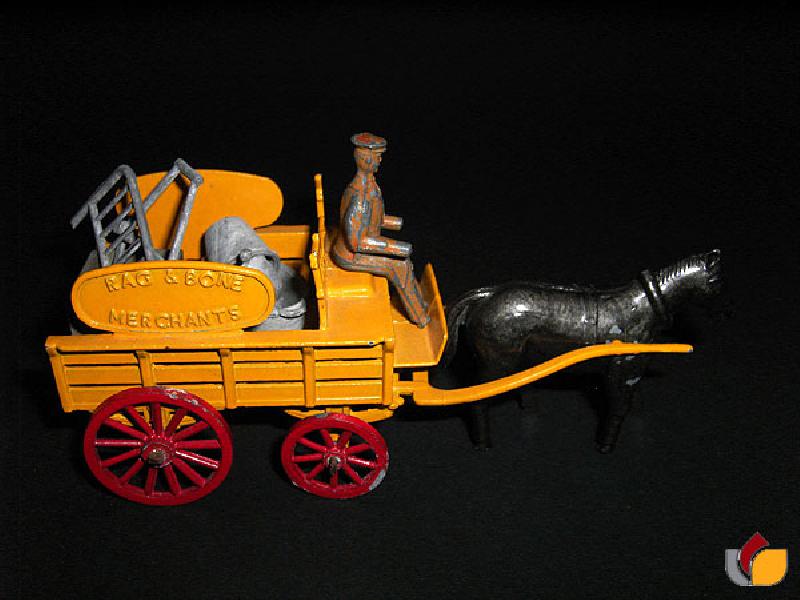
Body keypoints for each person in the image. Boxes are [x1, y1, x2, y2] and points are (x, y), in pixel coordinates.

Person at [332, 132, 430, 327]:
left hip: (361, 243)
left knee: (406, 262)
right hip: (350, 255)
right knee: (398, 267)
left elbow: (373, 220)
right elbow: (356, 242)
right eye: (378, 157)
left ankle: (419, 302)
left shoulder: (371, 187)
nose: (380, 161)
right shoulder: (360, 195)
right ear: (366, 160)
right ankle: (420, 318)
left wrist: (395, 223)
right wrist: (394, 247)